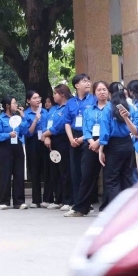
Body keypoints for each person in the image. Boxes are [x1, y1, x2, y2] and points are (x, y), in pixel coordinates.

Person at [67, 81, 110, 217]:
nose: (102, 92)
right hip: (90, 144)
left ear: (108, 91)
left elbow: (111, 128)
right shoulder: (89, 110)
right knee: (87, 176)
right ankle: (81, 208)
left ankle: (106, 208)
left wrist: (99, 142)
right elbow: (86, 128)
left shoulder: (113, 108)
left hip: (107, 143)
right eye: (99, 90)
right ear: (94, 93)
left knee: (108, 177)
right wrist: (92, 142)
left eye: (104, 89)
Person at [98, 87, 138, 209]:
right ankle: (127, 208)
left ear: (110, 94)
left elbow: (105, 131)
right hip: (128, 143)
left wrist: (101, 149)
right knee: (127, 177)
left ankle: (115, 208)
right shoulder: (130, 108)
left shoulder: (108, 109)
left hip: (113, 145)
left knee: (111, 179)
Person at [64, 73, 96, 209]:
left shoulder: (94, 100)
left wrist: (83, 138)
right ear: (76, 85)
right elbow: (66, 122)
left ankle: (87, 203)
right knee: (75, 171)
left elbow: (95, 121)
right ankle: (77, 202)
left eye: (89, 81)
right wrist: (71, 139)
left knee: (86, 171)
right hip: (74, 136)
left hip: (89, 136)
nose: (88, 83)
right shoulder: (70, 102)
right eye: (84, 81)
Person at [0, 96, 27, 210]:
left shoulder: (17, 118)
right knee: (5, 174)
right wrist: (8, 135)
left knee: (19, 174)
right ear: (7, 105)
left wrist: (23, 118)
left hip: (17, 146)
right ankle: (4, 201)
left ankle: (19, 201)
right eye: (14, 103)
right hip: (5, 148)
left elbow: (24, 131)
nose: (16, 105)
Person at [42, 85, 72, 210]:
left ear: (62, 94)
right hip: (51, 140)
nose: (53, 96)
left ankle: (67, 200)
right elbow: (45, 123)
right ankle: (57, 199)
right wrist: (47, 136)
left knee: (64, 170)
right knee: (54, 171)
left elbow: (61, 125)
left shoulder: (68, 107)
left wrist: (46, 134)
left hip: (63, 140)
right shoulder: (53, 109)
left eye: (55, 93)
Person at [23, 91, 47, 208]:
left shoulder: (45, 112)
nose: (38, 100)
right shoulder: (26, 114)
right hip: (32, 143)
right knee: (35, 171)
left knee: (47, 170)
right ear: (28, 101)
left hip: (45, 141)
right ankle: (36, 200)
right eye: (35, 98)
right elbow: (29, 132)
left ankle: (48, 199)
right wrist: (36, 119)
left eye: (39, 97)